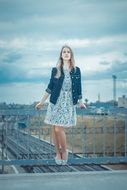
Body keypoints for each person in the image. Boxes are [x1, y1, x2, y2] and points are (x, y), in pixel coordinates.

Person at [35, 45, 86, 165]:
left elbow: (79, 87)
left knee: (58, 128)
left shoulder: (76, 70)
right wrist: (41, 102)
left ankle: (65, 151)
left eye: (68, 52)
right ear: (61, 55)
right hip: (55, 102)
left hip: (68, 102)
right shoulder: (56, 70)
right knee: (54, 128)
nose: (66, 53)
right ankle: (58, 153)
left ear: (71, 55)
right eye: (64, 52)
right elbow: (49, 88)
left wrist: (81, 101)